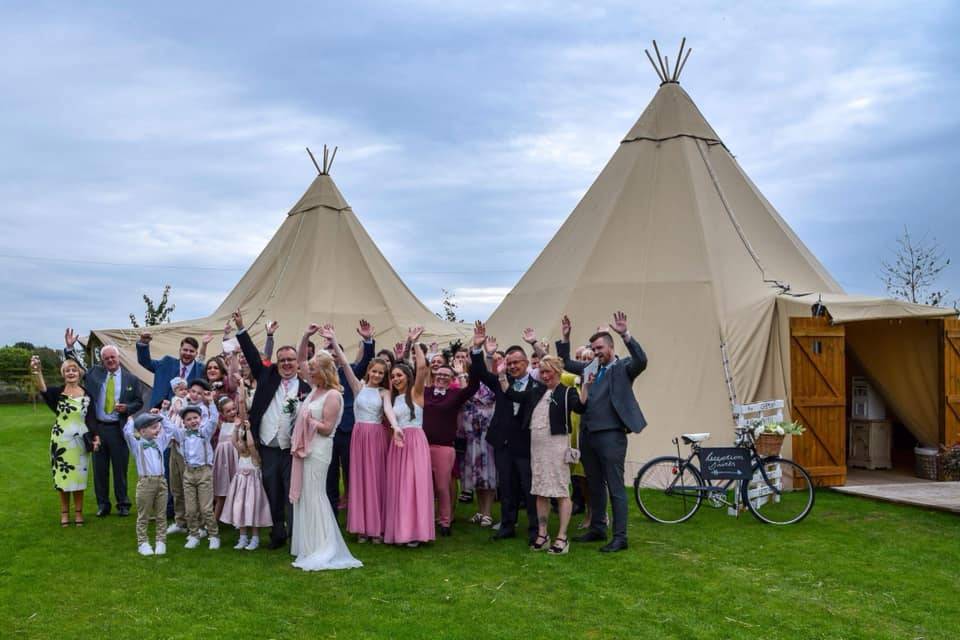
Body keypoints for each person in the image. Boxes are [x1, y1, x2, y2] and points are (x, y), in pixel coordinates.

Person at [557, 312, 648, 553]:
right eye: (593, 348)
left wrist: (625, 333)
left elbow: (641, 360)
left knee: (615, 486)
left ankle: (620, 536)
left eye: (599, 348)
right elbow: (565, 363)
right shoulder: (591, 368)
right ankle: (597, 527)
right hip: (588, 434)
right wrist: (565, 338)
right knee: (594, 484)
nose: (596, 351)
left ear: (610, 346)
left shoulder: (623, 367)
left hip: (611, 435)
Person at [232, 309, 310, 550]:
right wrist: (241, 328)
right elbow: (252, 357)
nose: (286, 363)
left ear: (297, 363)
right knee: (271, 488)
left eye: (291, 360)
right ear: (278, 362)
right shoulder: (266, 376)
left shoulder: (306, 387)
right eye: (283, 360)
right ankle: (278, 532)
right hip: (267, 445)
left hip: (292, 449)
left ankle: (296, 534)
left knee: (292, 491)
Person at [288, 324, 362, 571]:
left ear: (324, 371)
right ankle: (309, 544)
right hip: (305, 448)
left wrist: (308, 420)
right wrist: (305, 335)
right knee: (306, 496)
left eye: (315, 369)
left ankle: (324, 545)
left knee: (316, 494)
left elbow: (328, 428)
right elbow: (300, 361)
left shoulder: (333, 395)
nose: (310, 371)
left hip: (319, 449)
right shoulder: (314, 389)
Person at [502, 355, 588, 555]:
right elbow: (512, 395)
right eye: (542, 372)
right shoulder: (536, 391)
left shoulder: (567, 393)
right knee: (540, 490)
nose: (545, 375)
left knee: (560, 491)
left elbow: (581, 407)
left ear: (557, 372)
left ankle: (562, 537)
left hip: (557, 447)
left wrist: (586, 388)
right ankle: (542, 534)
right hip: (537, 449)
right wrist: (501, 375)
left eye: (548, 371)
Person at [324, 327, 400, 543]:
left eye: (380, 373)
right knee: (358, 481)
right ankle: (361, 528)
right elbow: (345, 364)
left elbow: (388, 411)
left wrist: (395, 427)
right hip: (358, 437)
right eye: (374, 371)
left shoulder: (384, 392)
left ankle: (376, 528)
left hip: (376, 437)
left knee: (376, 481)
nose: (376, 375)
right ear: (368, 371)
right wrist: (334, 339)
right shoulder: (358, 387)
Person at [469, 322, 540, 545]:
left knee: (529, 489)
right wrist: (478, 349)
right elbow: (479, 372)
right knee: (507, 487)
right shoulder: (501, 381)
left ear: (526, 363)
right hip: (503, 443)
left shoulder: (537, 384)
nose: (512, 366)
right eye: (508, 363)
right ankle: (507, 526)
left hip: (526, 443)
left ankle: (535, 528)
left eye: (516, 362)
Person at [63, 329, 143, 518]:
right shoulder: (94, 373)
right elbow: (75, 367)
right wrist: (69, 347)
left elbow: (138, 402)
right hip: (97, 429)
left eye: (112, 357)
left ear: (118, 357)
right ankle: (103, 505)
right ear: (102, 359)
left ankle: (123, 504)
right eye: (106, 358)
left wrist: (127, 408)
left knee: (120, 469)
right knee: (99, 470)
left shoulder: (131, 378)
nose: (110, 360)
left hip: (118, 429)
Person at [422, 332, 480, 537]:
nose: (441, 377)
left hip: (444, 447)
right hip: (421, 446)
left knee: (442, 487)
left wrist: (462, 372)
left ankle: (445, 521)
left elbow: (472, 389)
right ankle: (425, 520)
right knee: (424, 486)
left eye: (446, 376)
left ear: (451, 379)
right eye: (439, 374)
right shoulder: (426, 392)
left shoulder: (455, 395)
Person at [30, 355, 99, 527]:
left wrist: (95, 437)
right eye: (67, 370)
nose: (71, 372)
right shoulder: (57, 393)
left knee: (78, 478)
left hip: (81, 442)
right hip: (60, 441)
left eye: (74, 369)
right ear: (63, 374)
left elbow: (91, 418)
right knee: (63, 478)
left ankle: (78, 513)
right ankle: (64, 514)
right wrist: (36, 370)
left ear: (79, 373)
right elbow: (42, 388)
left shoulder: (87, 394)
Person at [383, 327, 434, 547]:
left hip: (415, 442)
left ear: (408, 376)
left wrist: (413, 343)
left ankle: (416, 531)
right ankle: (401, 530)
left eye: (399, 375)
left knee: (415, 486)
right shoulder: (392, 399)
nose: (395, 379)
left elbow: (422, 368)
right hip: (398, 444)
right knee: (399, 486)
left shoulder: (416, 393)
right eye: (393, 376)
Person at [324, 320, 375, 516]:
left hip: (347, 429)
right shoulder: (319, 375)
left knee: (351, 473)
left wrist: (368, 340)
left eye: (336, 355)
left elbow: (367, 361)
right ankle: (331, 513)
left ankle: (356, 513)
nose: (333, 358)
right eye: (330, 355)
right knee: (330, 475)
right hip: (326, 432)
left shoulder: (350, 371)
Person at [161, 401, 220, 549]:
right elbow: (168, 425)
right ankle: (194, 535)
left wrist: (211, 402)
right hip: (188, 473)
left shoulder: (204, 433)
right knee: (191, 509)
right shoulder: (182, 435)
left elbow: (213, 420)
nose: (193, 421)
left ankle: (213, 535)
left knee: (206, 509)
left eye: (195, 418)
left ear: (200, 419)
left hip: (204, 472)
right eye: (189, 419)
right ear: (184, 423)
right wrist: (163, 410)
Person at [459, 340, 498, 527]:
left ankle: (488, 512)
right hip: (471, 434)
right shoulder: (465, 380)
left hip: (486, 433)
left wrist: (488, 355)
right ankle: (480, 510)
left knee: (488, 472)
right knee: (476, 474)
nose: (468, 360)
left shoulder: (488, 380)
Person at [123, 412, 174, 556]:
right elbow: (127, 434)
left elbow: (170, 430)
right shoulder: (137, 445)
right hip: (146, 483)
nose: (157, 430)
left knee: (161, 514)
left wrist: (162, 416)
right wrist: (131, 421)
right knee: (143, 515)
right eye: (153, 427)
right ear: (142, 431)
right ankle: (143, 543)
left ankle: (161, 541)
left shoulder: (160, 442)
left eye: (157, 427)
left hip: (161, 482)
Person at [220, 418, 272, 551]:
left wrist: (248, 430)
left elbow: (250, 445)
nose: (240, 443)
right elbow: (233, 441)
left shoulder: (255, 457)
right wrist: (237, 428)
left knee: (252, 512)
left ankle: (255, 538)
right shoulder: (241, 455)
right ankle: (242, 537)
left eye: (242, 441)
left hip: (253, 492)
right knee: (240, 511)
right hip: (240, 491)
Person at [136, 332, 204, 409]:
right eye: (185, 350)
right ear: (180, 350)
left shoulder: (201, 370)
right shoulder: (167, 362)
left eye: (191, 351)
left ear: (196, 353)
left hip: (186, 417)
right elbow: (145, 362)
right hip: (158, 413)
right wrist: (143, 344)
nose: (188, 353)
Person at [212, 396, 240, 522]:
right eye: (228, 411)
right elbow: (212, 414)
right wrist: (211, 401)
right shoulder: (222, 424)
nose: (232, 412)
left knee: (238, 491)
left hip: (235, 459)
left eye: (234, 409)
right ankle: (214, 522)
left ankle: (239, 520)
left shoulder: (239, 423)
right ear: (222, 414)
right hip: (222, 461)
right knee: (221, 493)